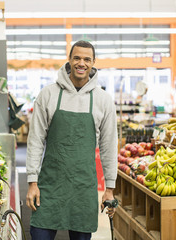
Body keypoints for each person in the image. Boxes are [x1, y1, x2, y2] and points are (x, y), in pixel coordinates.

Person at [26, 40, 118, 240]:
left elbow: (109, 146)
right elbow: (35, 140)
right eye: (77, 58)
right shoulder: (48, 94)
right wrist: (32, 181)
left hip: (83, 189)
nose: (81, 63)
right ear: (69, 60)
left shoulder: (103, 100)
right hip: (49, 187)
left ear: (93, 62)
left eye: (87, 59)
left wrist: (109, 188)